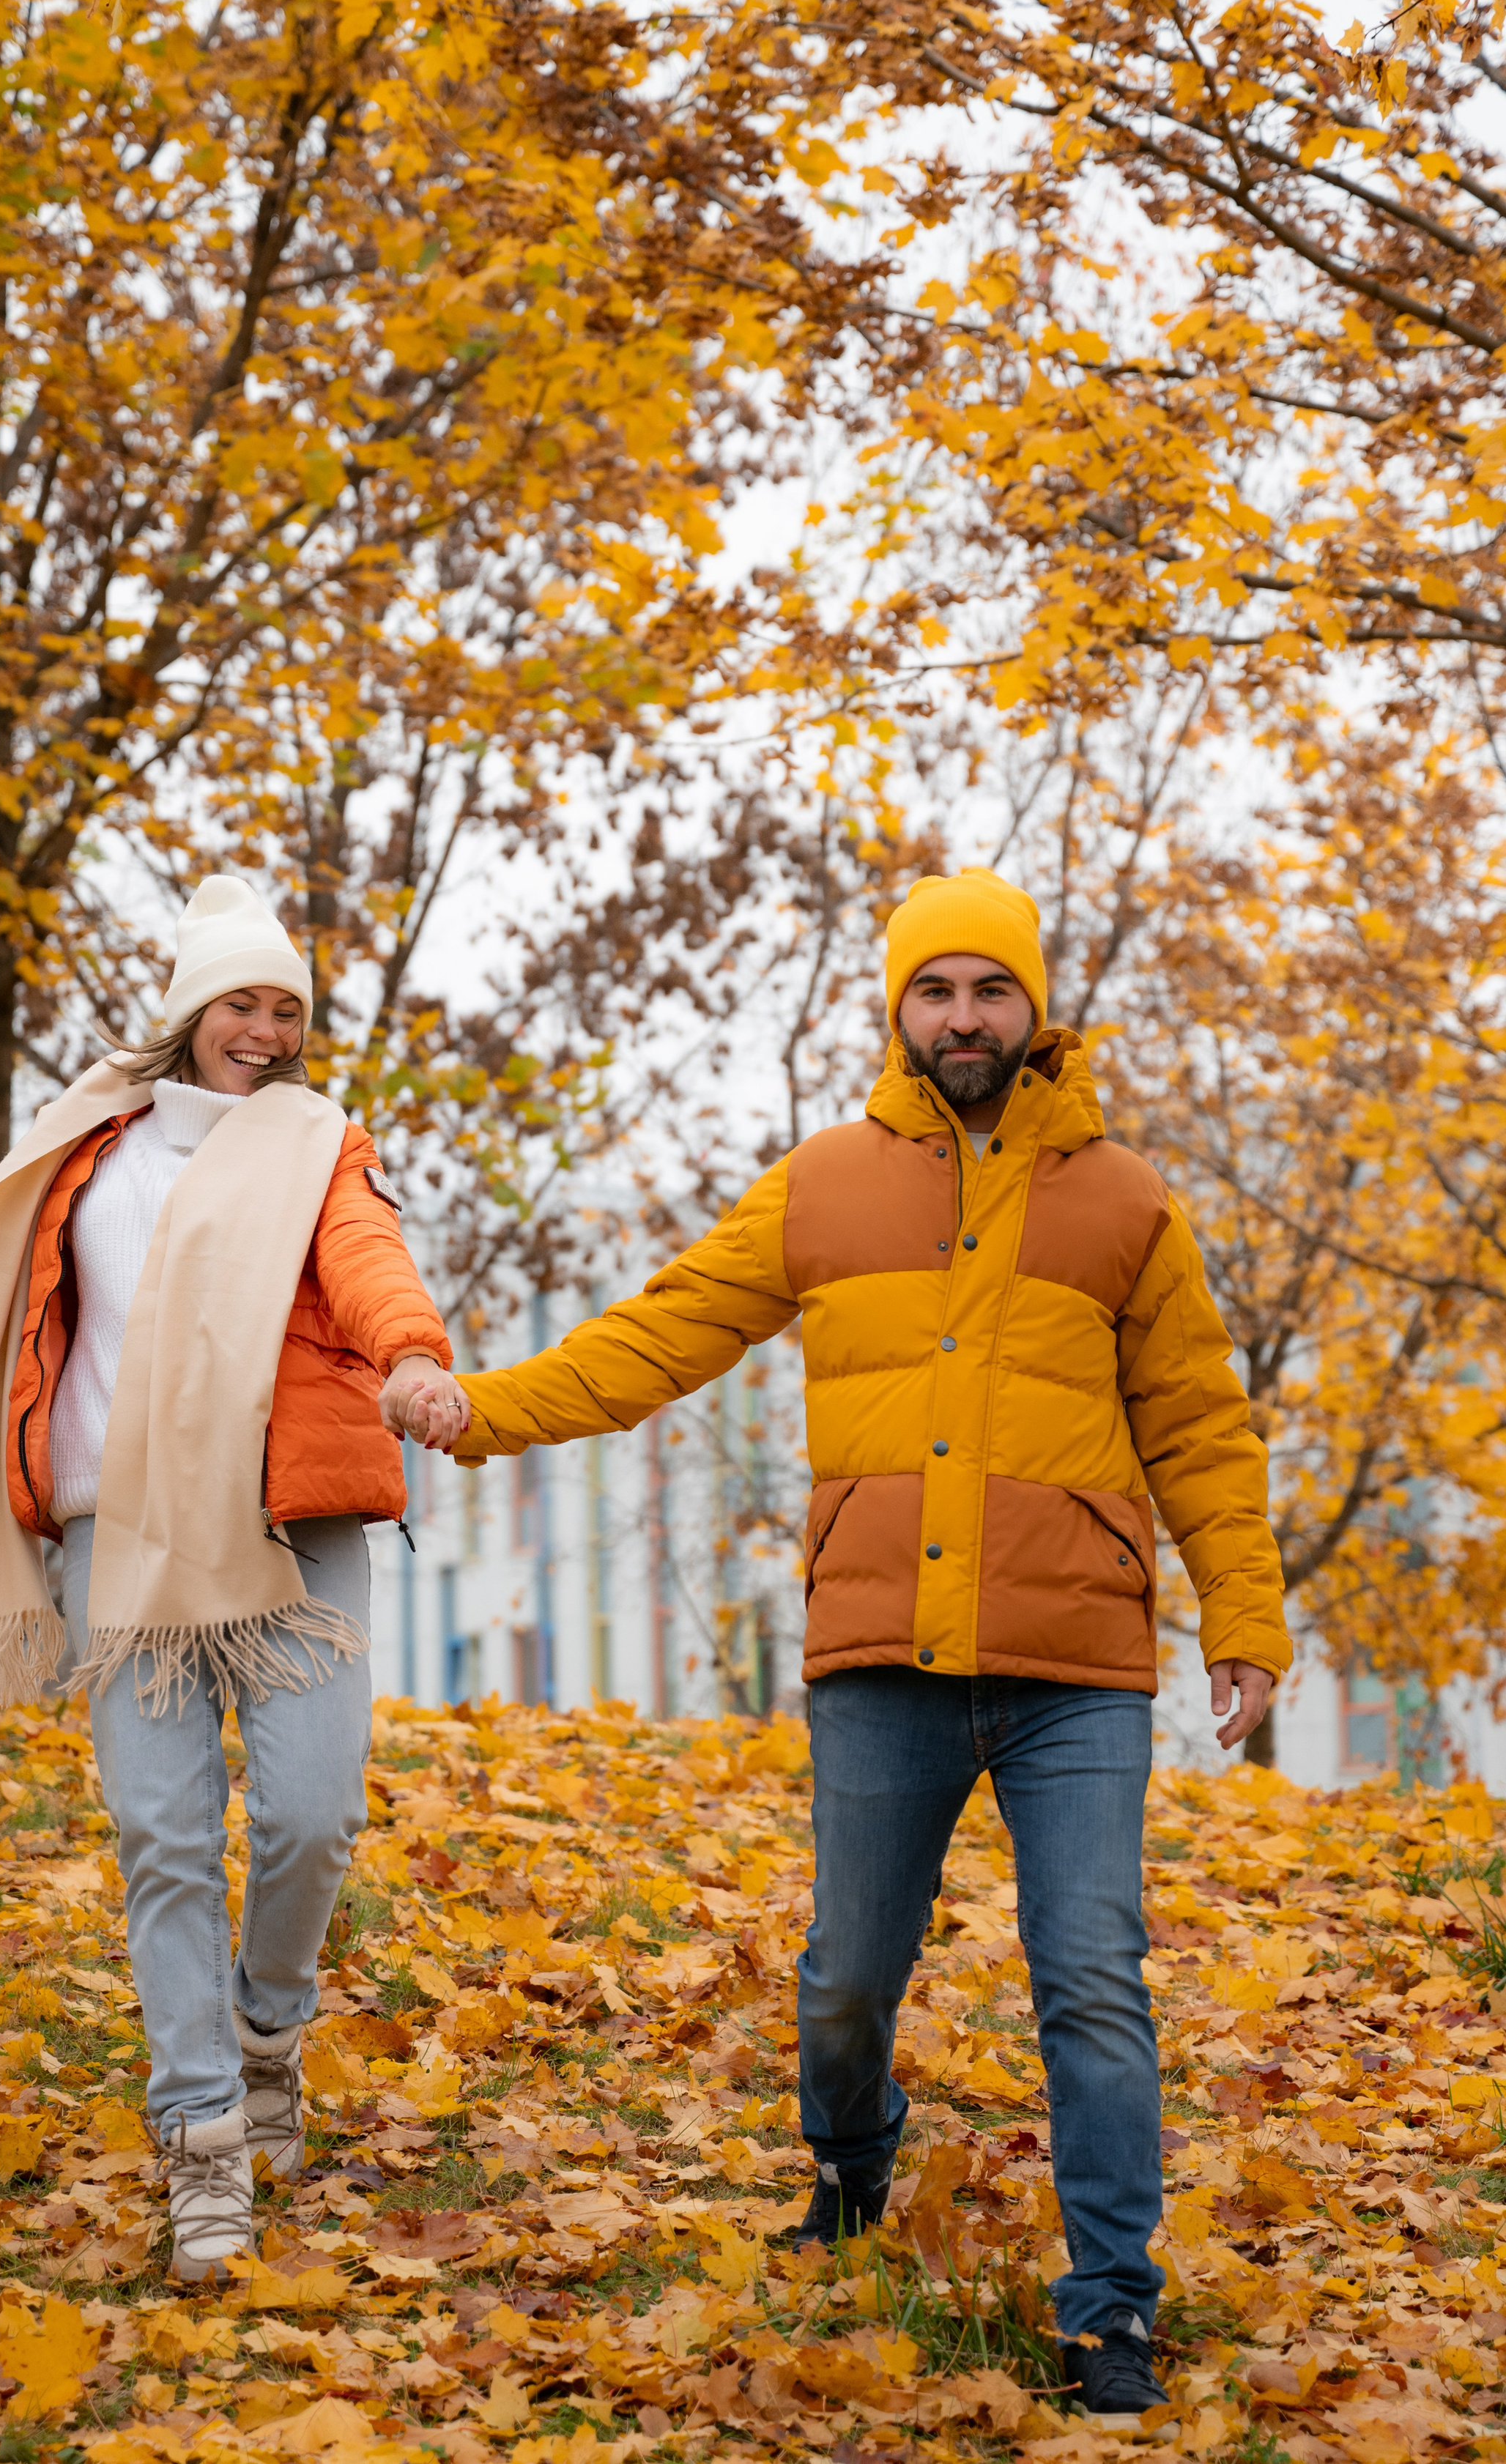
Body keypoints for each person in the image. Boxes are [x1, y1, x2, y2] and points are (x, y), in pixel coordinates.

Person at [388, 867, 1288, 2421]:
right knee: (843, 1983)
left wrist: (1246, 1617)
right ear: (896, 1012)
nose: (961, 1018)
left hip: (1076, 1667)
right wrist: (481, 1413)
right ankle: (850, 2161)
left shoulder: (1125, 1202)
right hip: (878, 1660)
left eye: (988, 991)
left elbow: (1200, 1428)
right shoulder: (820, 1186)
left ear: (1032, 1010)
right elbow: (660, 1333)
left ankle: (1111, 2310)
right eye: (933, 992)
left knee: (1090, 1977)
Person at [0, 875, 464, 2285]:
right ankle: (205, 2141)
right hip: (119, 1539)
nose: (268, 1029)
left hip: (288, 1530)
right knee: (165, 1843)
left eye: (288, 1008)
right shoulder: (89, 1147)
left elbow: (367, 1263)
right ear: (190, 1011)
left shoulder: (317, 1149)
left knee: (311, 1814)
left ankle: (268, 2027)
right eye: (244, 1002)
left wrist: (411, 1352)